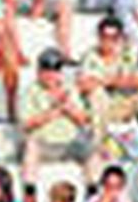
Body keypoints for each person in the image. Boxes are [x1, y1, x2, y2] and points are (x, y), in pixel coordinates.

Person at [78, 15, 138, 169]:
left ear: (120, 38)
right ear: (98, 37)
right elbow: (84, 84)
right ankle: (98, 146)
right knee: (97, 95)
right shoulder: (90, 56)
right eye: (105, 37)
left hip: (124, 102)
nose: (108, 41)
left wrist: (109, 80)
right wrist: (119, 80)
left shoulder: (128, 54)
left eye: (113, 37)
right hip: (103, 105)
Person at [18, 49, 90, 189]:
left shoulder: (70, 89)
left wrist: (70, 109)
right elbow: (26, 124)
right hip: (44, 143)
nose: (51, 75)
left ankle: (92, 189)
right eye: (46, 70)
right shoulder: (31, 92)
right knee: (30, 147)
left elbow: (83, 120)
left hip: (70, 142)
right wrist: (53, 111)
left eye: (55, 70)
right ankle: (29, 190)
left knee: (94, 149)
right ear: (39, 72)